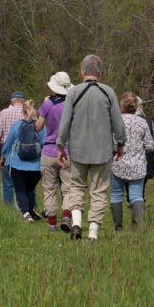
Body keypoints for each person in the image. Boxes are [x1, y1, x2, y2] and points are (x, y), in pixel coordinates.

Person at [55, 54, 125, 241]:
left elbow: (65, 122)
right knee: (99, 190)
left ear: (82, 72)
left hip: (78, 150)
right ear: (100, 73)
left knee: (76, 187)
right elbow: (118, 122)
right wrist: (120, 143)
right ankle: (93, 232)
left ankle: (77, 223)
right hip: (102, 151)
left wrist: (60, 146)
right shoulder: (109, 92)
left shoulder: (73, 92)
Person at [110, 92, 154, 230]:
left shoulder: (116, 121)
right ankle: (141, 228)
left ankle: (118, 228)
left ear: (121, 105)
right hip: (137, 165)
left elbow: (111, 142)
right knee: (136, 196)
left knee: (116, 195)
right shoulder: (142, 122)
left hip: (118, 163)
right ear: (136, 106)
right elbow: (150, 145)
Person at [37, 71, 74, 233]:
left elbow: (38, 126)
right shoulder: (73, 104)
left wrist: (45, 106)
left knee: (49, 188)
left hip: (49, 149)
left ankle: (52, 223)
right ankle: (66, 215)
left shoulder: (48, 104)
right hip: (67, 150)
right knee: (68, 187)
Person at [0, 99, 46, 221]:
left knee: (20, 189)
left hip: (17, 164)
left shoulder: (16, 125)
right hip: (36, 166)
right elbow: (44, 144)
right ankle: (31, 210)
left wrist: (3, 156)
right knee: (30, 188)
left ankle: (26, 212)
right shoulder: (41, 127)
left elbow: (8, 143)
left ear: (23, 112)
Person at [0, 91, 25, 206]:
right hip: (24, 151)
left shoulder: (4, 113)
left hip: (7, 151)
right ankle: (22, 208)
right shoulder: (28, 113)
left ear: (12, 100)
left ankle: (8, 209)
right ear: (23, 101)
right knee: (22, 181)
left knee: (7, 182)